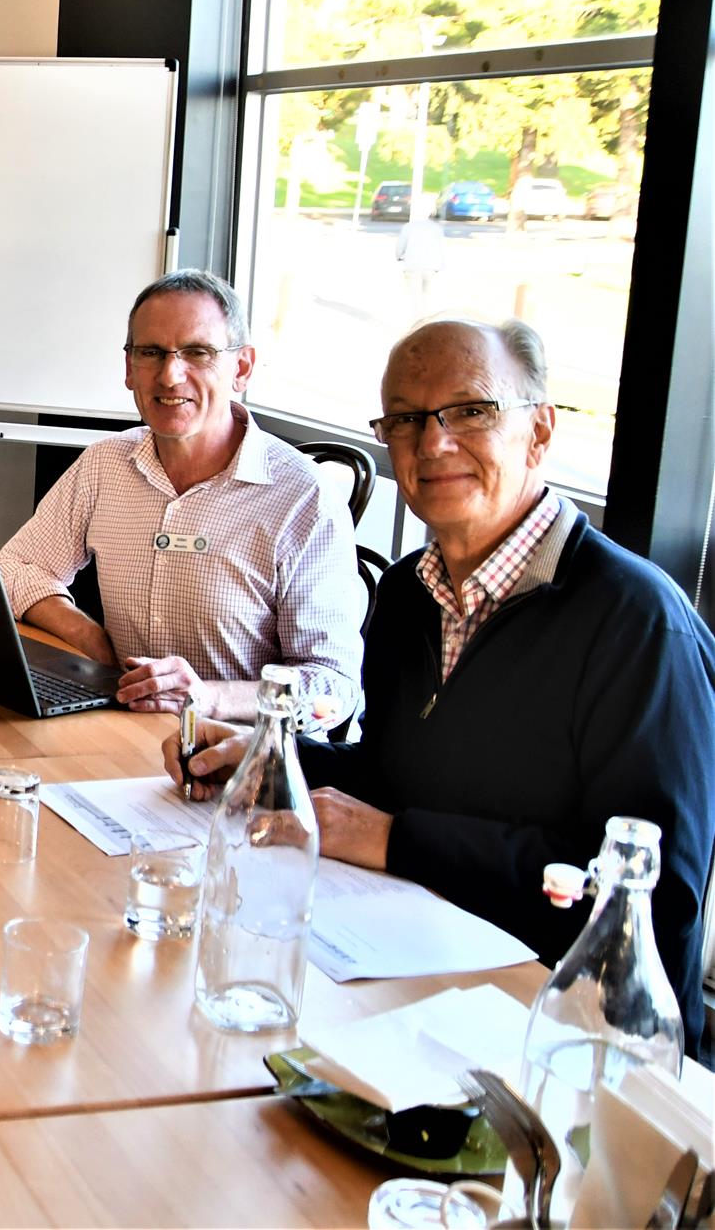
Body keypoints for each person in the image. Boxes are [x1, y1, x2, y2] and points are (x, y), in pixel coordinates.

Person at [173, 319, 714, 1052]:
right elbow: (393, 778)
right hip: (410, 988)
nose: (432, 443)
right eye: (405, 419)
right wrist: (266, 760)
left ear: (540, 431)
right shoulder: (408, 592)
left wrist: (402, 843)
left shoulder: (638, 623)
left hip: (565, 1038)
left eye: (471, 411)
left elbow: (650, 900)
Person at [0, 269, 366, 723]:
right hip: (126, 725)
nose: (170, 376)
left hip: (235, 747)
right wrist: (89, 636)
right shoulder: (105, 464)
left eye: (198, 352)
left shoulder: (304, 496)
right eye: (151, 353)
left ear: (242, 368)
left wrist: (209, 697)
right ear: (129, 369)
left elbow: (333, 687)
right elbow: (14, 569)